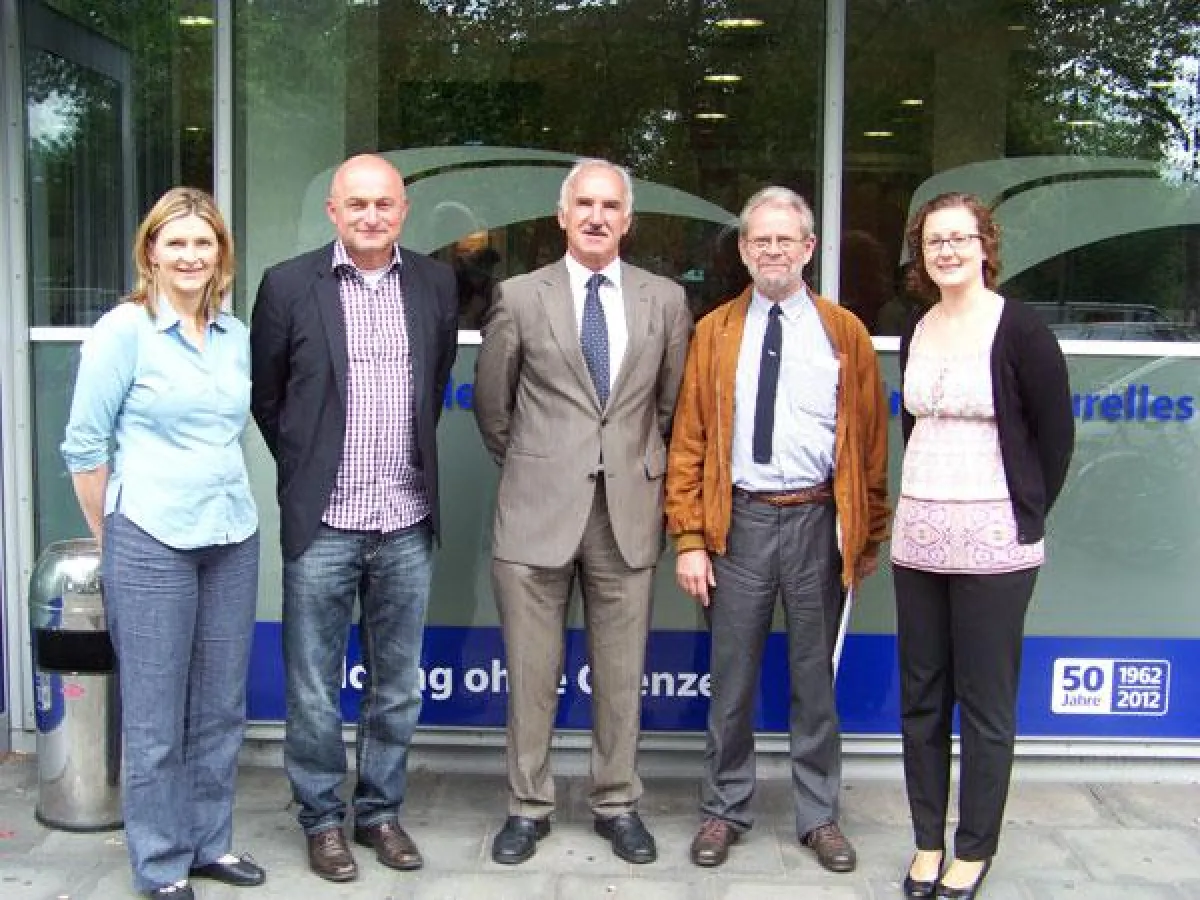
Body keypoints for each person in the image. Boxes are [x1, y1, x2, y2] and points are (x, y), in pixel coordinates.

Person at [664, 186, 889, 874]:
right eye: (760, 240)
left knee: (813, 682)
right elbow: (690, 441)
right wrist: (691, 538)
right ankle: (724, 808)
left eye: (785, 240)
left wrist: (867, 533)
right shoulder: (714, 331)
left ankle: (818, 815)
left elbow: (871, 443)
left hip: (819, 520)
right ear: (742, 249)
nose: (772, 251)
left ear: (809, 249)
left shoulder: (843, 331)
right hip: (740, 523)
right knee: (730, 680)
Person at [473, 158, 691, 866]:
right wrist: (543, 464)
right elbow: (493, 408)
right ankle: (527, 806)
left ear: (628, 220)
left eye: (611, 205)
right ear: (562, 216)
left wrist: (631, 464)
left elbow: (671, 406)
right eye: (584, 204)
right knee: (531, 674)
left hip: (628, 510)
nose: (597, 216)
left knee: (622, 675)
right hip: (536, 511)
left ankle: (615, 802)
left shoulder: (664, 299)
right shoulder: (517, 296)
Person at [249, 154, 458, 883]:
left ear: (403, 211)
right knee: (313, 683)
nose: (372, 216)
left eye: (385, 204)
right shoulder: (287, 285)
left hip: (404, 517)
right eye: (357, 204)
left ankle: (378, 813)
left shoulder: (435, 282)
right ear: (333, 212)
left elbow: (430, 390)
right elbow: (268, 401)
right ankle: (319, 819)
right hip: (325, 522)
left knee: (396, 683)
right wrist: (308, 471)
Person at [61, 188, 263, 900]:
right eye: (175, 243)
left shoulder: (233, 334)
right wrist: (113, 537)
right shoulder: (125, 330)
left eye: (203, 243)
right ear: (150, 251)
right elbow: (84, 448)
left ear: (221, 256)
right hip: (149, 539)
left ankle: (210, 843)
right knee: (154, 718)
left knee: (218, 708)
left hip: (232, 533)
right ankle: (160, 862)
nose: (190, 256)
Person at [893, 193, 1073, 900]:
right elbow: (917, 428)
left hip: (995, 545)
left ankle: (975, 848)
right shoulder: (917, 327)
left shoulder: (1020, 330)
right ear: (923, 253)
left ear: (985, 246)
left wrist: (1024, 513)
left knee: (987, 703)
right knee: (922, 700)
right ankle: (928, 840)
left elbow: (1054, 437)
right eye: (935, 241)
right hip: (919, 541)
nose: (947, 251)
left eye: (960, 238)